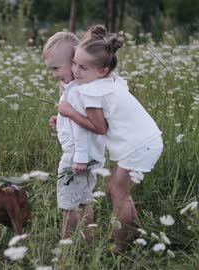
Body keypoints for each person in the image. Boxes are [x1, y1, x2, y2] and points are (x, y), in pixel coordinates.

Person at [56, 25, 163, 251]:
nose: (76, 70)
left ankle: (122, 247)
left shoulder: (92, 91)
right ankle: (132, 235)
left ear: (102, 71)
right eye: (74, 62)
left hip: (138, 145)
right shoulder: (110, 81)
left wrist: (70, 113)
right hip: (145, 141)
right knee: (115, 187)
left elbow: (99, 127)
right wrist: (64, 118)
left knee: (117, 192)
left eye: (83, 67)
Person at [43, 32, 106, 242]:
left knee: (68, 205)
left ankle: (66, 247)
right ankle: (88, 241)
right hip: (93, 156)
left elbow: (82, 130)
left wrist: (78, 157)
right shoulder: (83, 88)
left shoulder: (76, 92)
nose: (53, 74)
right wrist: (60, 120)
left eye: (56, 68)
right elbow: (79, 120)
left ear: (74, 62)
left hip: (76, 158)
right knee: (84, 200)